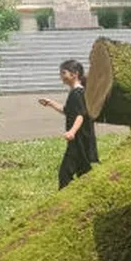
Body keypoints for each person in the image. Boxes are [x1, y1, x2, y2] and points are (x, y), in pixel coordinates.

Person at [38, 59, 99, 189]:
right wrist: (50, 103)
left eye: (64, 73)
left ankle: (63, 203)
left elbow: (80, 115)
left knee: (65, 174)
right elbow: (68, 111)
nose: (61, 76)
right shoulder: (77, 92)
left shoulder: (77, 93)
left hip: (79, 140)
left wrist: (72, 131)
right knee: (84, 172)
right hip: (81, 139)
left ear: (74, 74)